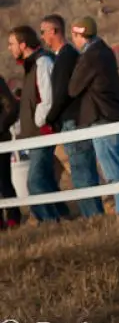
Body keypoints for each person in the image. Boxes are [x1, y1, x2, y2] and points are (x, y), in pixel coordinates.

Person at [68, 17, 119, 217]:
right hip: (116, 114)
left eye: (75, 35)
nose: (73, 40)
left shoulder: (90, 57)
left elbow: (73, 88)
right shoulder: (105, 50)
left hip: (102, 118)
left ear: (80, 35)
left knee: (114, 173)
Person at [41, 14, 104, 219]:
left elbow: (62, 94)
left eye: (43, 32)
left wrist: (49, 119)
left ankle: (93, 217)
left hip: (73, 121)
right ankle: (94, 214)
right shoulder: (65, 56)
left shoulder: (66, 57)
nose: (42, 37)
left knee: (81, 171)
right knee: (82, 170)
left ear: (54, 31)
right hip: (73, 120)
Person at [7, 26, 70, 224]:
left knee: (34, 182)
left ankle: (50, 222)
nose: (9, 48)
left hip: (42, 133)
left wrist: (39, 121)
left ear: (23, 45)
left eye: (12, 44)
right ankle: (63, 215)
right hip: (34, 135)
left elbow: (48, 97)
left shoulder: (42, 62)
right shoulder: (30, 66)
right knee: (46, 181)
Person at [0, 76, 22, 229]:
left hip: (0, 139)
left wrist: (0, 127)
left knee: (3, 181)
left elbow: (12, 107)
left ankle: (13, 218)